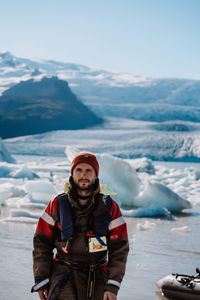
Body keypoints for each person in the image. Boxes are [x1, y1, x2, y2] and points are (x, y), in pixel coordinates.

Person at [32, 152, 129, 300]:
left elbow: (120, 249)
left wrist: (112, 285)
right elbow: (41, 243)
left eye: (88, 170)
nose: (83, 175)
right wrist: (42, 279)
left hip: (97, 278)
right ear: (72, 173)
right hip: (63, 275)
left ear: (96, 175)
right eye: (79, 170)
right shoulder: (56, 204)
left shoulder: (109, 207)